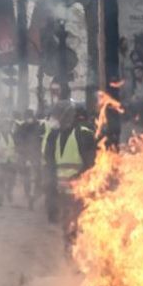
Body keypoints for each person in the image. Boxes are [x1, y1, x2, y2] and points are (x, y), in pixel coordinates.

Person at [43, 104, 95, 245]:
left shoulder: (83, 134)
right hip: (63, 191)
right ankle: (70, 250)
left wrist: (79, 177)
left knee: (79, 223)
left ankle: (78, 250)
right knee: (67, 223)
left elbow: (91, 163)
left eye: (64, 116)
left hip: (80, 190)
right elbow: (51, 164)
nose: (61, 119)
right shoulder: (55, 136)